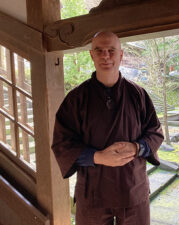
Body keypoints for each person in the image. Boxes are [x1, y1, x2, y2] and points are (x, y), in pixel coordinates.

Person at [51, 31, 164, 225]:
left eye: (111, 50)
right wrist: (99, 157)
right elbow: (62, 144)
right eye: (99, 50)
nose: (105, 56)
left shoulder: (138, 95)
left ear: (121, 55)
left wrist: (137, 148)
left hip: (133, 189)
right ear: (91, 55)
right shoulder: (76, 99)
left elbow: (155, 132)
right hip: (92, 192)